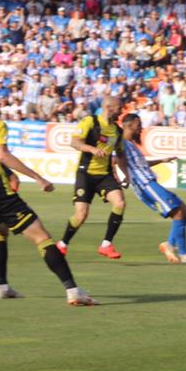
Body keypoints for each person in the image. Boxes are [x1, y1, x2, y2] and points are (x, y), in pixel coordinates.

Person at [0, 90, 97, 306]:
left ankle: (2, 286)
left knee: (0, 230)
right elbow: (2, 155)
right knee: (41, 237)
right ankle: (73, 291)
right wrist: (37, 177)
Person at [118, 114, 186, 265]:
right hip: (145, 185)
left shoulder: (130, 144)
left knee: (185, 210)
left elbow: (141, 164)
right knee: (178, 213)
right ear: (132, 124)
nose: (141, 128)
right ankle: (183, 253)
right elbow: (115, 159)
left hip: (150, 182)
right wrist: (125, 176)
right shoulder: (120, 143)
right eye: (139, 124)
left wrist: (162, 160)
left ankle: (169, 244)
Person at [59, 93, 128, 259]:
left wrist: (126, 175)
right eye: (119, 109)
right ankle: (62, 244)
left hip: (104, 175)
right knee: (81, 215)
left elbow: (120, 155)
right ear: (108, 108)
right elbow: (74, 142)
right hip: (86, 174)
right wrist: (92, 149)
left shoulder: (118, 131)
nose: (121, 112)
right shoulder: (91, 121)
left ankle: (106, 244)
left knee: (119, 203)